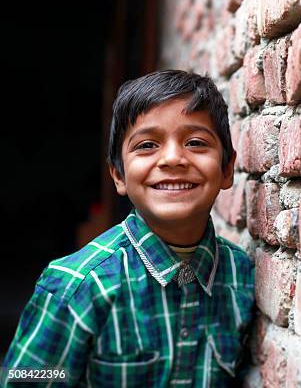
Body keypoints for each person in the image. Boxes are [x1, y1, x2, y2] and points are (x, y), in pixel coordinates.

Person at [1, 70, 255, 386]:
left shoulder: (241, 277)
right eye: (147, 145)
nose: (173, 158)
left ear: (227, 169)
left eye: (195, 142)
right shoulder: (76, 288)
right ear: (119, 176)